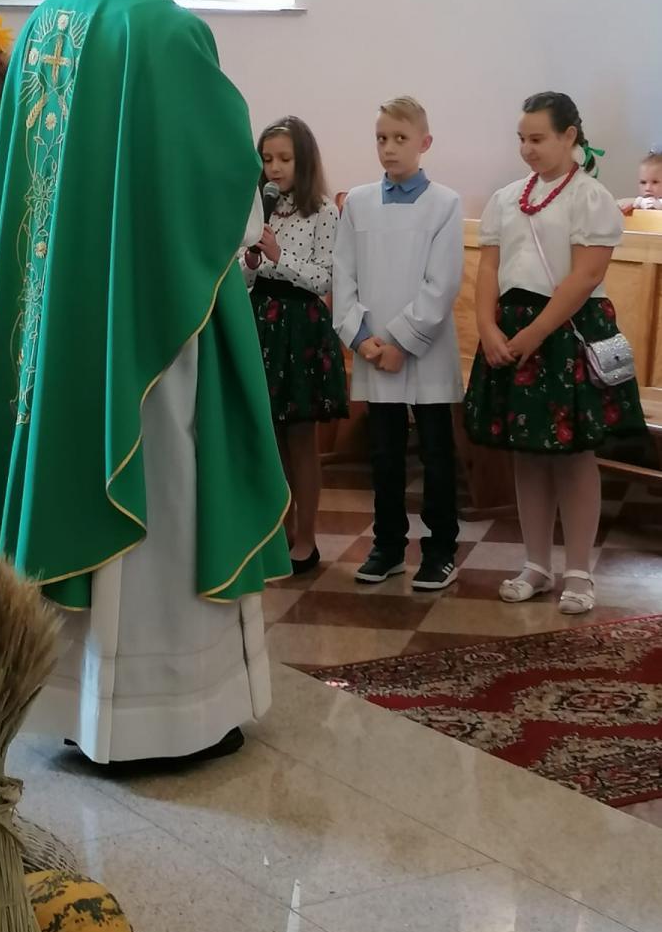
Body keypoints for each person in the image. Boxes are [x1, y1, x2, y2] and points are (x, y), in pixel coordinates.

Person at [0, 0, 291, 767]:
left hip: (54, 327)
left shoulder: (43, 25)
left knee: (71, 475)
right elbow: (223, 178)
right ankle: (164, 712)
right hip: (149, 327)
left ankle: (74, 702)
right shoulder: (166, 31)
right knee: (168, 493)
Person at [464, 92, 646, 614]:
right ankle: (536, 565)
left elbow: (586, 277)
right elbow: (490, 268)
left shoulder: (590, 197)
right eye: (521, 139)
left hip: (564, 330)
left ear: (569, 137)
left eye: (538, 138)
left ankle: (579, 572)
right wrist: (487, 327)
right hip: (513, 327)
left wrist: (534, 335)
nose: (527, 148)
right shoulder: (506, 198)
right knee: (527, 452)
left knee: (574, 456)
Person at [333, 97, 464, 591]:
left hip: (423, 350)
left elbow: (442, 282)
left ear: (424, 143)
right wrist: (362, 338)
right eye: (382, 138)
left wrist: (401, 343)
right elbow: (343, 274)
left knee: (436, 454)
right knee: (385, 454)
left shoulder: (445, 203)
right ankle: (387, 545)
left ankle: (440, 550)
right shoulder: (359, 202)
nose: (389, 147)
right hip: (373, 349)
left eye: (400, 138)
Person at [241, 117, 348, 575]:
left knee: (301, 438)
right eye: (267, 159)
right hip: (261, 323)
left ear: (304, 160)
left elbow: (324, 278)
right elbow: (244, 277)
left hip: (301, 326)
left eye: (285, 158)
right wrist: (251, 262)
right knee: (270, 436)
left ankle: (307, 537)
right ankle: (277, 532)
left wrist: (279, 257)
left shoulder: (322, 210)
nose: (275, 168)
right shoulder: (257, 209)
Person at [619, 146, 662, 213]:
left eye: (655, 182)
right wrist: (636, 202)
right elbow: (616, 205)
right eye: (643, 182)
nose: (648, 188)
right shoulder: (639, 202)